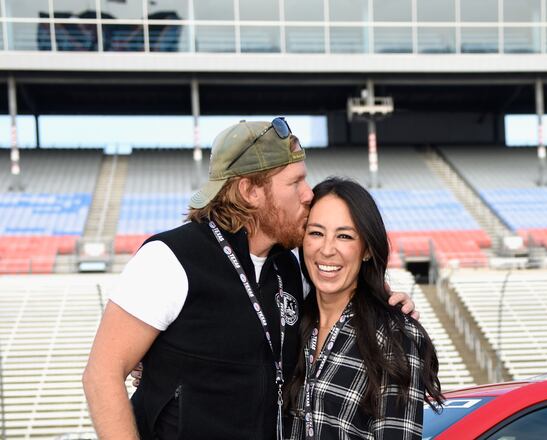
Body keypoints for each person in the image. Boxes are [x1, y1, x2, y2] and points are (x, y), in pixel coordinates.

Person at [83, 119, 416, 440]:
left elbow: (341, 300)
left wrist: (387, 303)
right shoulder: (168, 258)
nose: (308, 194)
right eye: (295, 182)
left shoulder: (290, 267)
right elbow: (102, 375)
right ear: (250, 191)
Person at [285, 177, 444, 439]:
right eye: (316, 233)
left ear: (367, 250)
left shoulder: (393, 336)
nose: (326, 249)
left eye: (344, 236)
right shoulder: (289, 323)